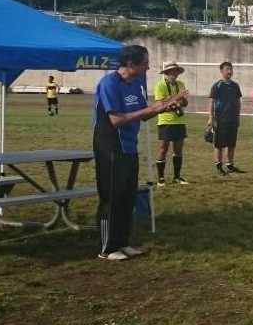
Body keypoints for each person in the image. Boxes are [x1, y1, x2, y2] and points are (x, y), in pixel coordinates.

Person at [93, 45, 187, 261]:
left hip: (128, 146)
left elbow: (143, 115)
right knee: (111, 196)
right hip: (110, 146)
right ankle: (106, 248)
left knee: (127, 196)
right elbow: (115, 120)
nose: (148, 65)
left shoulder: (135, 85)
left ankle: (122, 243)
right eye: (145, 61)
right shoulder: (109, 83)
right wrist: (151, 109)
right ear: (130, 63)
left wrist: (167, 105)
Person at [153, 61, 190, 185]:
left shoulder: (181, 84)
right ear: (167, 73)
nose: (175, 73)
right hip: (165, 121)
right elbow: (160, 105)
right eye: (172, 71)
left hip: (179, 121)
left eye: (176, 71)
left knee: (178, 149)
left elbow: (184, 104)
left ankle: (177, 177)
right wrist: (177, 98)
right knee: (163, 149)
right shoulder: (160, 85)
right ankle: (161, 178)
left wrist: (182, 100)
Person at [208, 61, 244, 176]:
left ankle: (230, 165)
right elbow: (211, 102)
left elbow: (238, 102)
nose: (230, 71)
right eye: (227, 69)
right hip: (220, 119)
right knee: (219, 144)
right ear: (221, 71)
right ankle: (219, 166)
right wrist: (211, 118)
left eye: (231, 69)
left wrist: (238, 117)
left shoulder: (235, 86)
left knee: (231, 143)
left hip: (232, 119)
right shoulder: (217, 86)